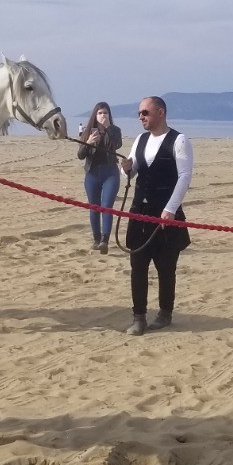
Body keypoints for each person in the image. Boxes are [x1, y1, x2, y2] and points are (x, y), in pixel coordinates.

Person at [122, 96, 192, 336]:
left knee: (166, 267)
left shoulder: (179, 140)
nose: (141, 117)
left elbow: (184, 176)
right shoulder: (140, 140)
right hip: (139, 213)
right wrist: (126, 170)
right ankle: (138, 316)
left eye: (145, 112)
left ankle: (165, 313)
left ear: (160, 112)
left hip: (166, 215)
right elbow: (133, 173)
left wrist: (171, 209)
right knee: (137, 265)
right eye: (139, 113)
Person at [77, 102, 124, 253]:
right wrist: (88, 142)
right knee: (94, 208)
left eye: (105, 113)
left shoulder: (115, 130)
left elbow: (116, 145)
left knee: (107, 207)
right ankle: (96, 239)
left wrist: (108, 128)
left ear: (109, 115)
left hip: (110, 172)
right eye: (100, 113)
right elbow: (80, 155)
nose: (103, 116)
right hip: (92, 173)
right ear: (95, 115)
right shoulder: (88, 132)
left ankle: (105, 240)